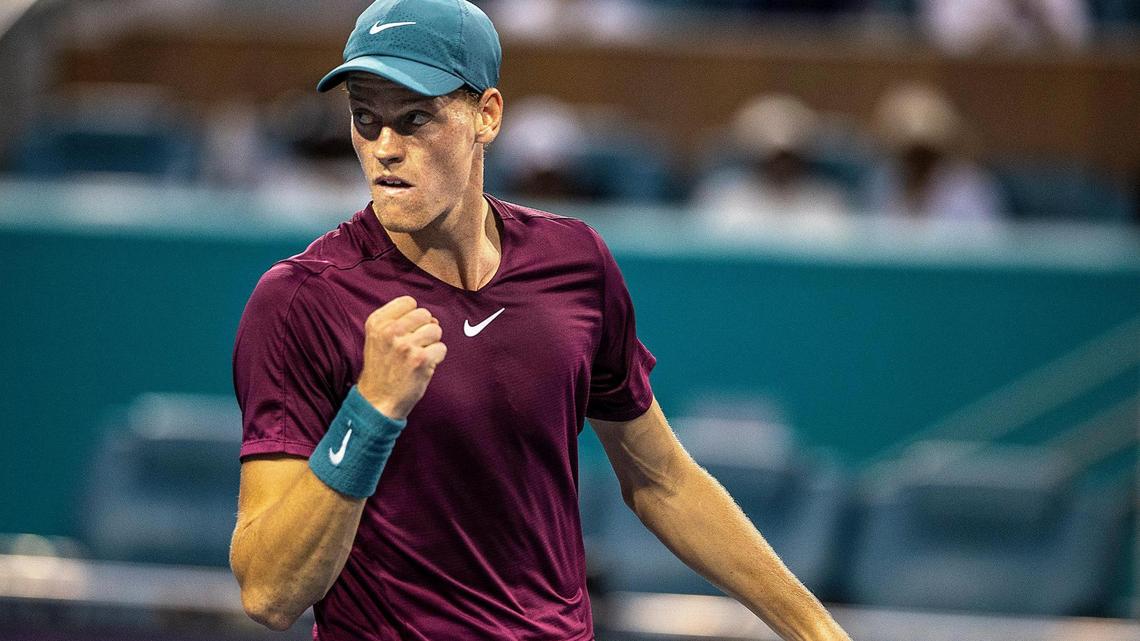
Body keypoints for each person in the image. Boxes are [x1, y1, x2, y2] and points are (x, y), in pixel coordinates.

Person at [229, 1, 852, 640]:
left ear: (486, 115)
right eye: (366, 120)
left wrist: (815, 631)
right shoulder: (299, 300)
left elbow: (663, 482)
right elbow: (270, 593)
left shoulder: (574, 262)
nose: (385, 148)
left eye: (416, 119)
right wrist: (371, 412)